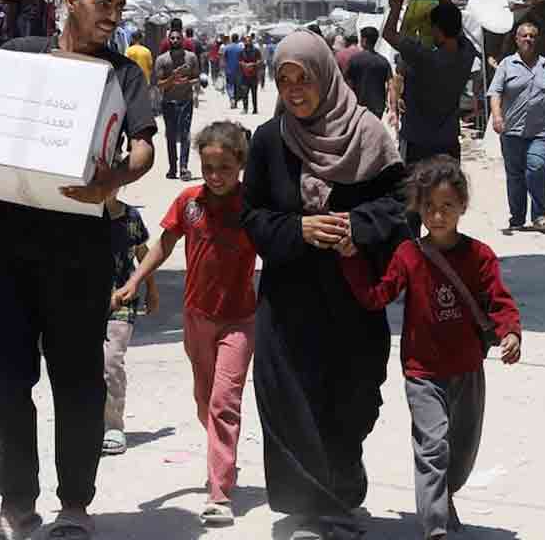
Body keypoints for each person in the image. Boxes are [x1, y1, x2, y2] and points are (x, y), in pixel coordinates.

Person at [0, 0, 156, 540]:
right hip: (16, 250)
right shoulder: (24, 53)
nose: (113, 18)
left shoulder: (122, 74)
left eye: (119, 8)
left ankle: (75, 507)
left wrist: (113, 181)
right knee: (7, 380)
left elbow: (144, 149)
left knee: (79, 381)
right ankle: (16, 506)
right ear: (70, 0)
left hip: (84, 252)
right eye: (103, 4)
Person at [242, 30, 409, 537]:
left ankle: (342, 493)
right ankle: (312, 508)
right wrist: (298, 228)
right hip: (289, 296)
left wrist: (357, 230)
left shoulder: (370, 136)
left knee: (353, 396)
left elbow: (401, 206)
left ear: (326, 78)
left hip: (350, 298)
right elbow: (250, 217)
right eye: (284, 79)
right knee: (290, 396)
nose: (294, 90)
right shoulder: (270, 140)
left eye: (304, 78)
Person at [340, 155, 522, 540]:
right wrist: (353, 260)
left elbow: (499, 301)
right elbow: (378, 296)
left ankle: (445, 495)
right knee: (432, 446)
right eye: (429, 208)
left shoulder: (480, 256)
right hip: (422, 372)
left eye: (447, 208)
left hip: (468, 369)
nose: (437, 216)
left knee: (462, 451)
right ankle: (434, 527)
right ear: (418, 208)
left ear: (462, 208)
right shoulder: (409, 255)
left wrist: (511, 333)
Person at [114, 121, 257, 526]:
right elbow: (162, 244)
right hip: (197, 319)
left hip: (238, 321)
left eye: (225, 168)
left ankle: (219, 492)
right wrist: (134, 281)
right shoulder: (189, 201)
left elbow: (277, 246)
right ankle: (221, 455)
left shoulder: (251, 206)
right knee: (204, 400)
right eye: (209, 167)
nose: (215, 176)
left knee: (223, 402)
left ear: (240, 165)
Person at [384, 0, 477, 236]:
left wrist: (398, 0)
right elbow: (454, 22)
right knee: (446, 204)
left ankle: (413, 256)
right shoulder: (466, 56)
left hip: (418, 145)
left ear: (437, 30)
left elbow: (388, 33)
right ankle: (444, 255)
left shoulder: (424, 58)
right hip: (448, 143)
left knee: (413, 206)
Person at [488, 22, 545, 233]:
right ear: (517, 40)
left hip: (539, 131)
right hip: (511, 131)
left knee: (536, 168)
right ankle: (517, 217)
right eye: (525, 36)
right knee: (515, 175)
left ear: (536, 40)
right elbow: (495, 93)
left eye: (532, 36)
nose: (528, 39)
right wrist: (497, 116)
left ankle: (540, 216)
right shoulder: (506, 65)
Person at [101, 189, 158, 456]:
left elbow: (143, 253)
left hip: (122, 300)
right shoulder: (80, 216)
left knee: (111, 361)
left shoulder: (130, 217)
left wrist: (152, 288)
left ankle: (113, 426)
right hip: (83, 303)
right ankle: (90, 423)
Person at [156, 28, 199, 181]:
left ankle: (183, 167)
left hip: (186, 101)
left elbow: (196, 78)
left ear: (182, 40)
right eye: (172, 38)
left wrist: (187, 81)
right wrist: (172, 78)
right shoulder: (162, 60)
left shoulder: (191, 57)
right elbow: (160, 84)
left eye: (177, 38)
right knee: (171, 136)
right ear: (168, 40)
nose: (174, 41)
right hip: (169, 103)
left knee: (185, 134)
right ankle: (172, 167)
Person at [347, 26, 392, 119]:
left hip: (359, 106)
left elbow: (349, 84)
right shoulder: (384, 61)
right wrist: (391, 104)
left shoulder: (355, 60)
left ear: (364, 40)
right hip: (377, 106)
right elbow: (390, 85)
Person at [238, 35, 262, 115]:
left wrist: (253, 64)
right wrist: (244, 65)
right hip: (244, 75)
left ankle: (255, 109)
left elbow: (260, 61)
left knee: (254, 93)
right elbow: (239, 61)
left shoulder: (256, 50)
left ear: (251, 42)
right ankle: (245, 108)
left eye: (249, 41)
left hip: (254, 75)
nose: (247, 42)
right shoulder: (242, 51)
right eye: (246, 41)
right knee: (245, 93)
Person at [223, 33, 243, 109]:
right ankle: (236, 100)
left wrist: (223, 68)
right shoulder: (240, 48)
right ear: (237, 39)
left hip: (229, 70)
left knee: (229, 85)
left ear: (231, 39)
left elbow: (224, 59)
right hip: (238, 70)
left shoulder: (227, 48)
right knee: (237, 86)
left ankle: (231, 98)